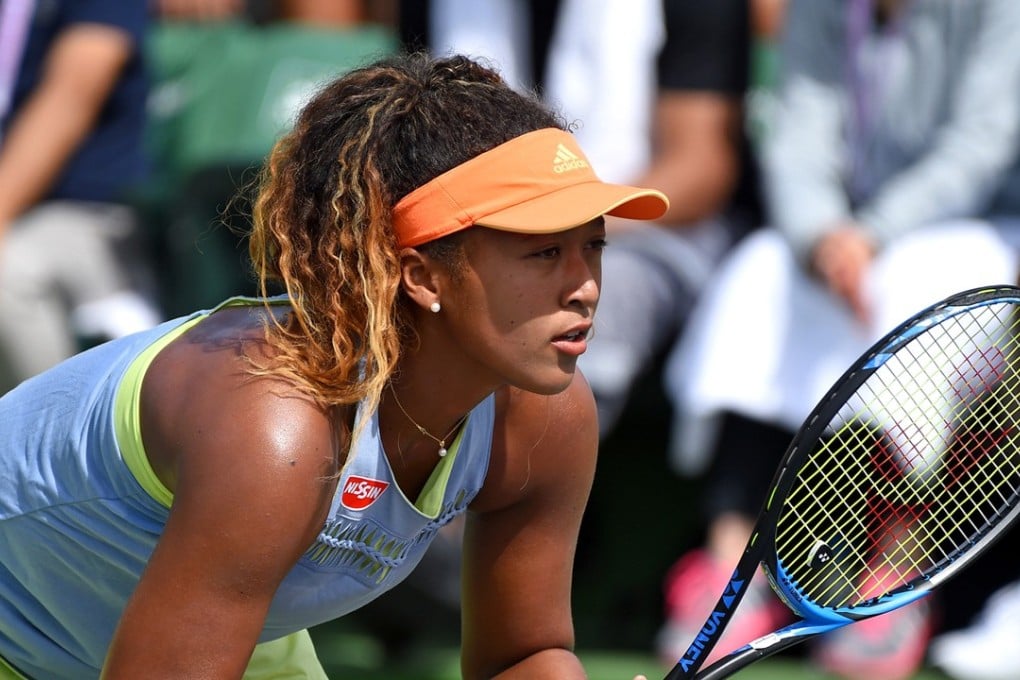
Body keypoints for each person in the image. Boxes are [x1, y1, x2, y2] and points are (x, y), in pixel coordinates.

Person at [0, 52, 668, 679]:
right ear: (423, 276)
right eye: (544, 254)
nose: (584, 285)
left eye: (594, 247)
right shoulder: (274, 431)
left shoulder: (546, 418)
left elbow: (521, 657)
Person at [659, 0, 1020, 677]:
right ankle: (729, 559)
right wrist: (825, 235)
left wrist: (874, 232)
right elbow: (798, 131)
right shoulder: (819, 7)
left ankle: (892, 576)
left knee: (922, 286)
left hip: (975, 226)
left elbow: (982, 143)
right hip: (841, 233)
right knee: (762, 275)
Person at [0, 0, 163, 394]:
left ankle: (44, 431)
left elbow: (70, 98)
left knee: (7, 272)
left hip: (85, 212)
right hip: (23, 214)